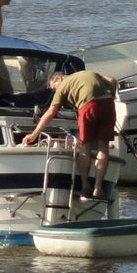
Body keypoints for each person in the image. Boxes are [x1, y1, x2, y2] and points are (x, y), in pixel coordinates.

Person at [22, 69, 118, 199]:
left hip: (88, 106)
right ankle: (98, 187)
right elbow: (112, 80)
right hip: (108, 103)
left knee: (85, 146)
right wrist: (111, 97)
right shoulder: (89, 73)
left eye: (53, 88)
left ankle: (85, 186)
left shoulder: (63, 86)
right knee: (103, 146)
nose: (55, 91)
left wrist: (33, 135)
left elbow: (50, 113)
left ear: (59, 80)